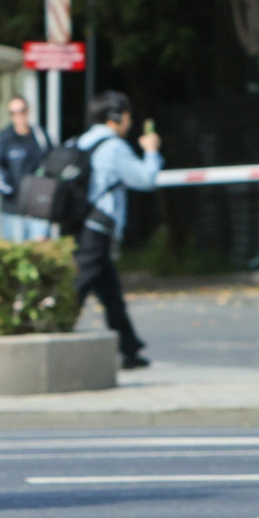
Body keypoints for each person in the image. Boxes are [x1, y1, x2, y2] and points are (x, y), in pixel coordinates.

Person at [67, 91, 161, 370]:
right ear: (116, 117)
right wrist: (152, 150)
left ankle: (129, 347)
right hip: (99, 227)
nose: (130, 121)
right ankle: (51, 328)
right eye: (128, 115)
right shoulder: (114, 147)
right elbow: (145, 179)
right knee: (80, 286)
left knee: (109, 291)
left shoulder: (79, 142)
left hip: (80, 224)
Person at [0, 95, 51, 241]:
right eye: (14, 112)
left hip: (37, 205)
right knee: (16, 248)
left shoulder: (40, 135)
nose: (19, 115)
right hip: (13, 205)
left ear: (28, 111)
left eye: (22, 111)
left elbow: (51, 162)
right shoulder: (5, 138)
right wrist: (7, 189)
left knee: (39, 248)